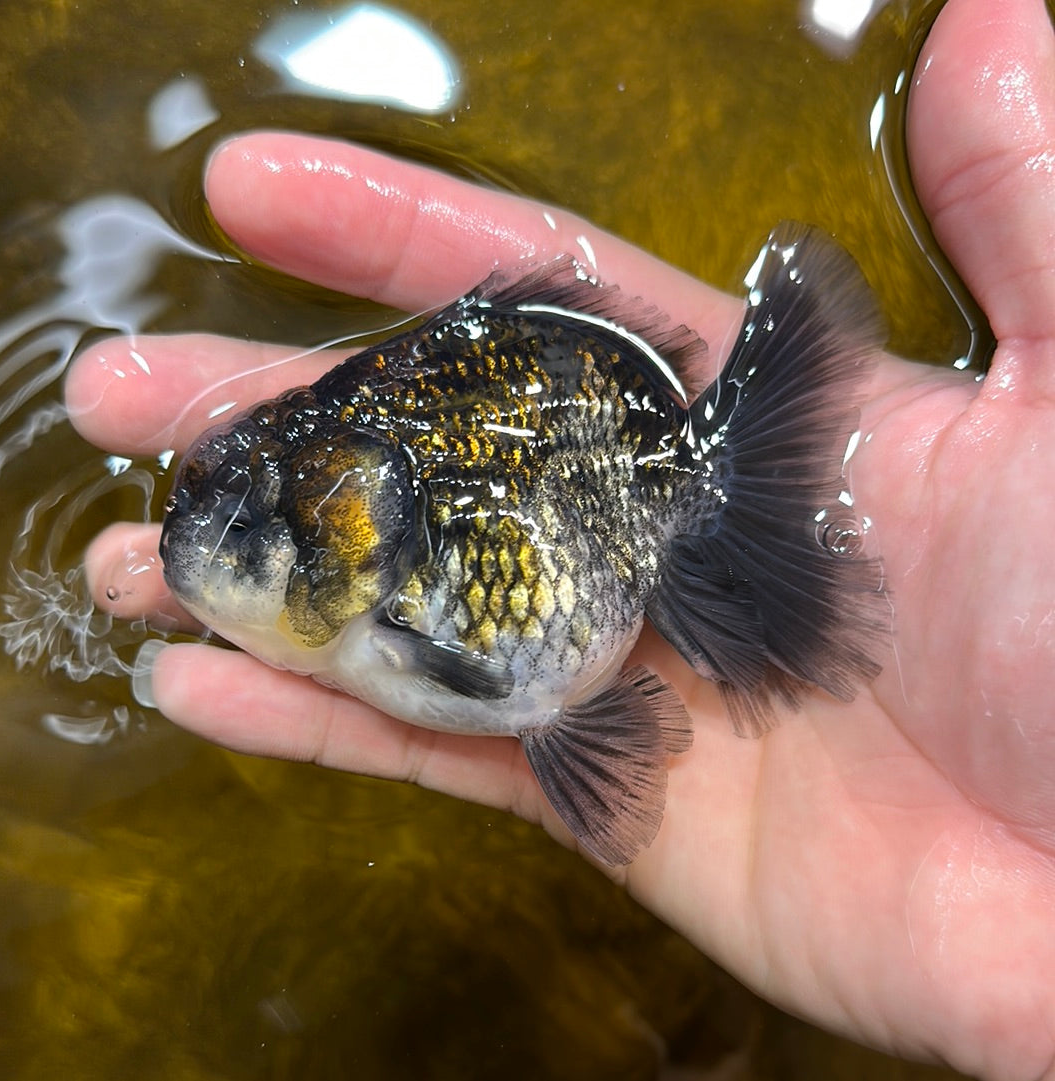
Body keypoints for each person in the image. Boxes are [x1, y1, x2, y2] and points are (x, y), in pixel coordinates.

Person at [65, 0, 1055, 1075]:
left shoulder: (396, 610)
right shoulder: (361, 575)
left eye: (263, 536)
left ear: (348, 538)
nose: (227, 558)